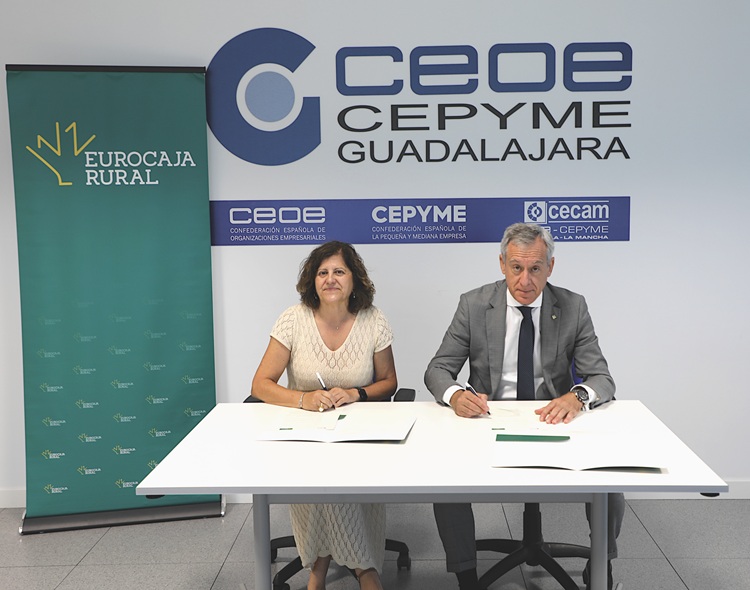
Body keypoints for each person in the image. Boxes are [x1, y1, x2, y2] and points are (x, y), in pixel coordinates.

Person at [424, 222, 623, 590]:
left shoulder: (573, 306)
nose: (525, 280)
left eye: (535, 268)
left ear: (550, 267)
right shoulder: (474, 304)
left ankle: (601, 567)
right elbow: (437, 370)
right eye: (516, 267)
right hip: (489, 420)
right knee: (445, 483)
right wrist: (456, 396)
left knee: (610, 484)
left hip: (552, 421)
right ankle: (467, 577)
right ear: (502, 264)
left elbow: (602, 379)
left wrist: (576, 396)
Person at [251, 240, 397, 590]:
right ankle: (363, 567)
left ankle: (320, 566)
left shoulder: (373, 319)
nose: (330, 279)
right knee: (319, 471)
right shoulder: (293, 319)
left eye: (339, 272)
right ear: (312, 281)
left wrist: (356, 393)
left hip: (357, 431)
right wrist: (303, 399)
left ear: (354, 279)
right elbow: (260, 384)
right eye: (322, 272)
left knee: (343, 471)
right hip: (303, 432)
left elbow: (390, 382)